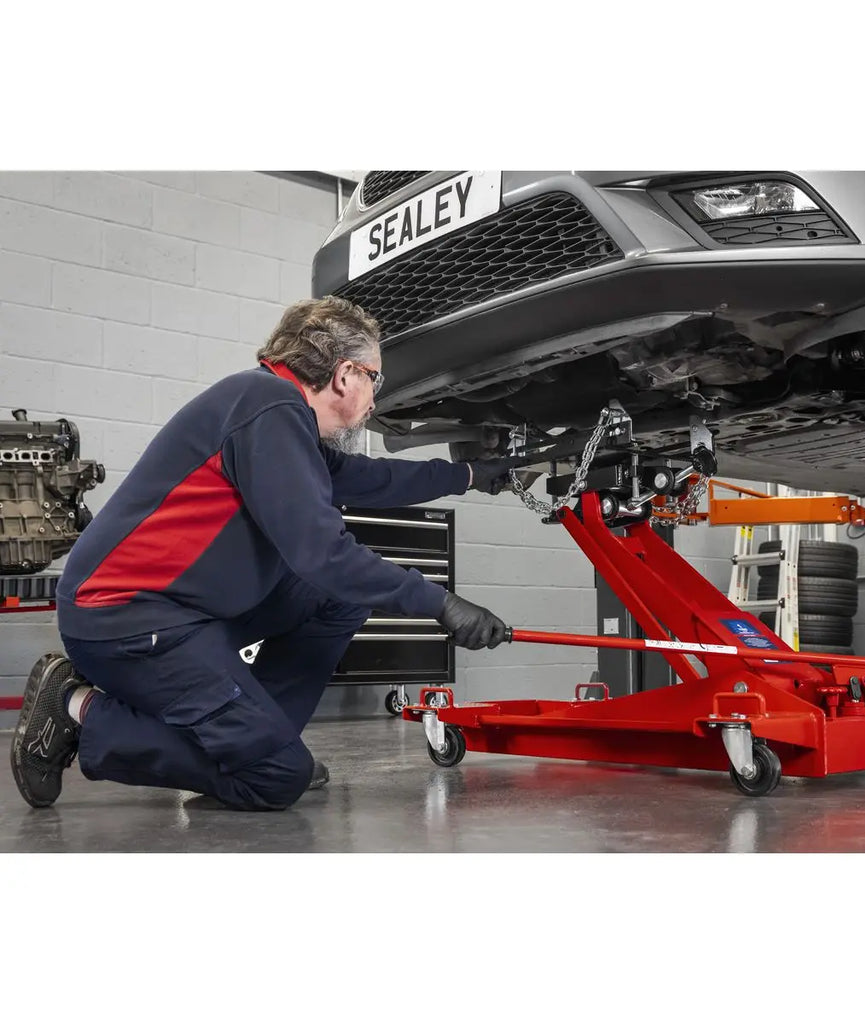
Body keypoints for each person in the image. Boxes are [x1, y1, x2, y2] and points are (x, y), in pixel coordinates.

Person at [10, 297, 516, 812]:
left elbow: (370, 478)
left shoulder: (276, 411)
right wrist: (439, 603)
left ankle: (262, 743)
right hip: (126, 620)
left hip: (183, 609)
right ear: (345, 375)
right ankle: (76, 708)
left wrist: (469, 474)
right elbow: (322, 554)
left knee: (336, 600)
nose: (373, 400)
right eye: (374, 379)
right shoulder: (270, 409)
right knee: (276, 778)